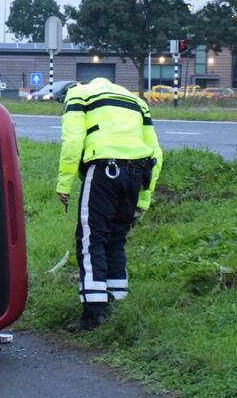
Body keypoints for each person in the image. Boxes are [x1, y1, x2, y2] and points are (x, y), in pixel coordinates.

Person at [56, 77, 163, 332]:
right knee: (116, 238)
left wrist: (64, 184)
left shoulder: (78, 95)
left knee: (91, 239)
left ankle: (93, 313)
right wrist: (145, 198)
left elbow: (72, 141)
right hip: (137, 172)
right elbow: (156, 152)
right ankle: (117, 304)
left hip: (104, 169)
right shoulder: (136, 101)